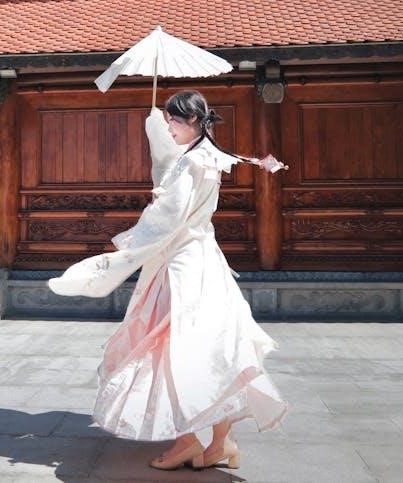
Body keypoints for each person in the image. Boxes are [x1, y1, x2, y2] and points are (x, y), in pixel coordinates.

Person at [48, 89, 288, 470]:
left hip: (181, 266)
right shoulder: (212, 157)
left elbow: (169, 218)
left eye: (173, 120)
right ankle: (220, 444)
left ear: (193, 120)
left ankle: (187, 440)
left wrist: (133, 239)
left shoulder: (189, 161)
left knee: (171, 348)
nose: (169, 127)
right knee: (217, 349)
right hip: (207, 262)